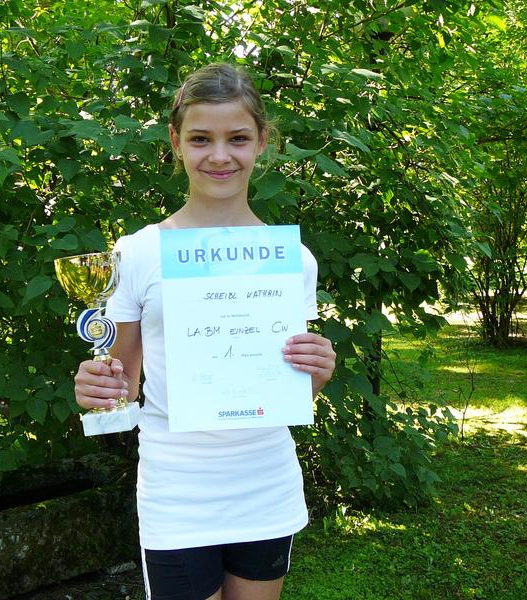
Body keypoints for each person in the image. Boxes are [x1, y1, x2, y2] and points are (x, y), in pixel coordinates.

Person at [74, 63, 336, 600]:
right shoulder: (138, 252)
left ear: (262, 142)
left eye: (237, 138)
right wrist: (97, 388)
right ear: (176, 142)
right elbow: (122, 384)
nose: (219, 156)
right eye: (200, 139)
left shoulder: (292, 259)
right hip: (177, 490)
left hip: (265, 481)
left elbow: (285, 387)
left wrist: (315, 373)